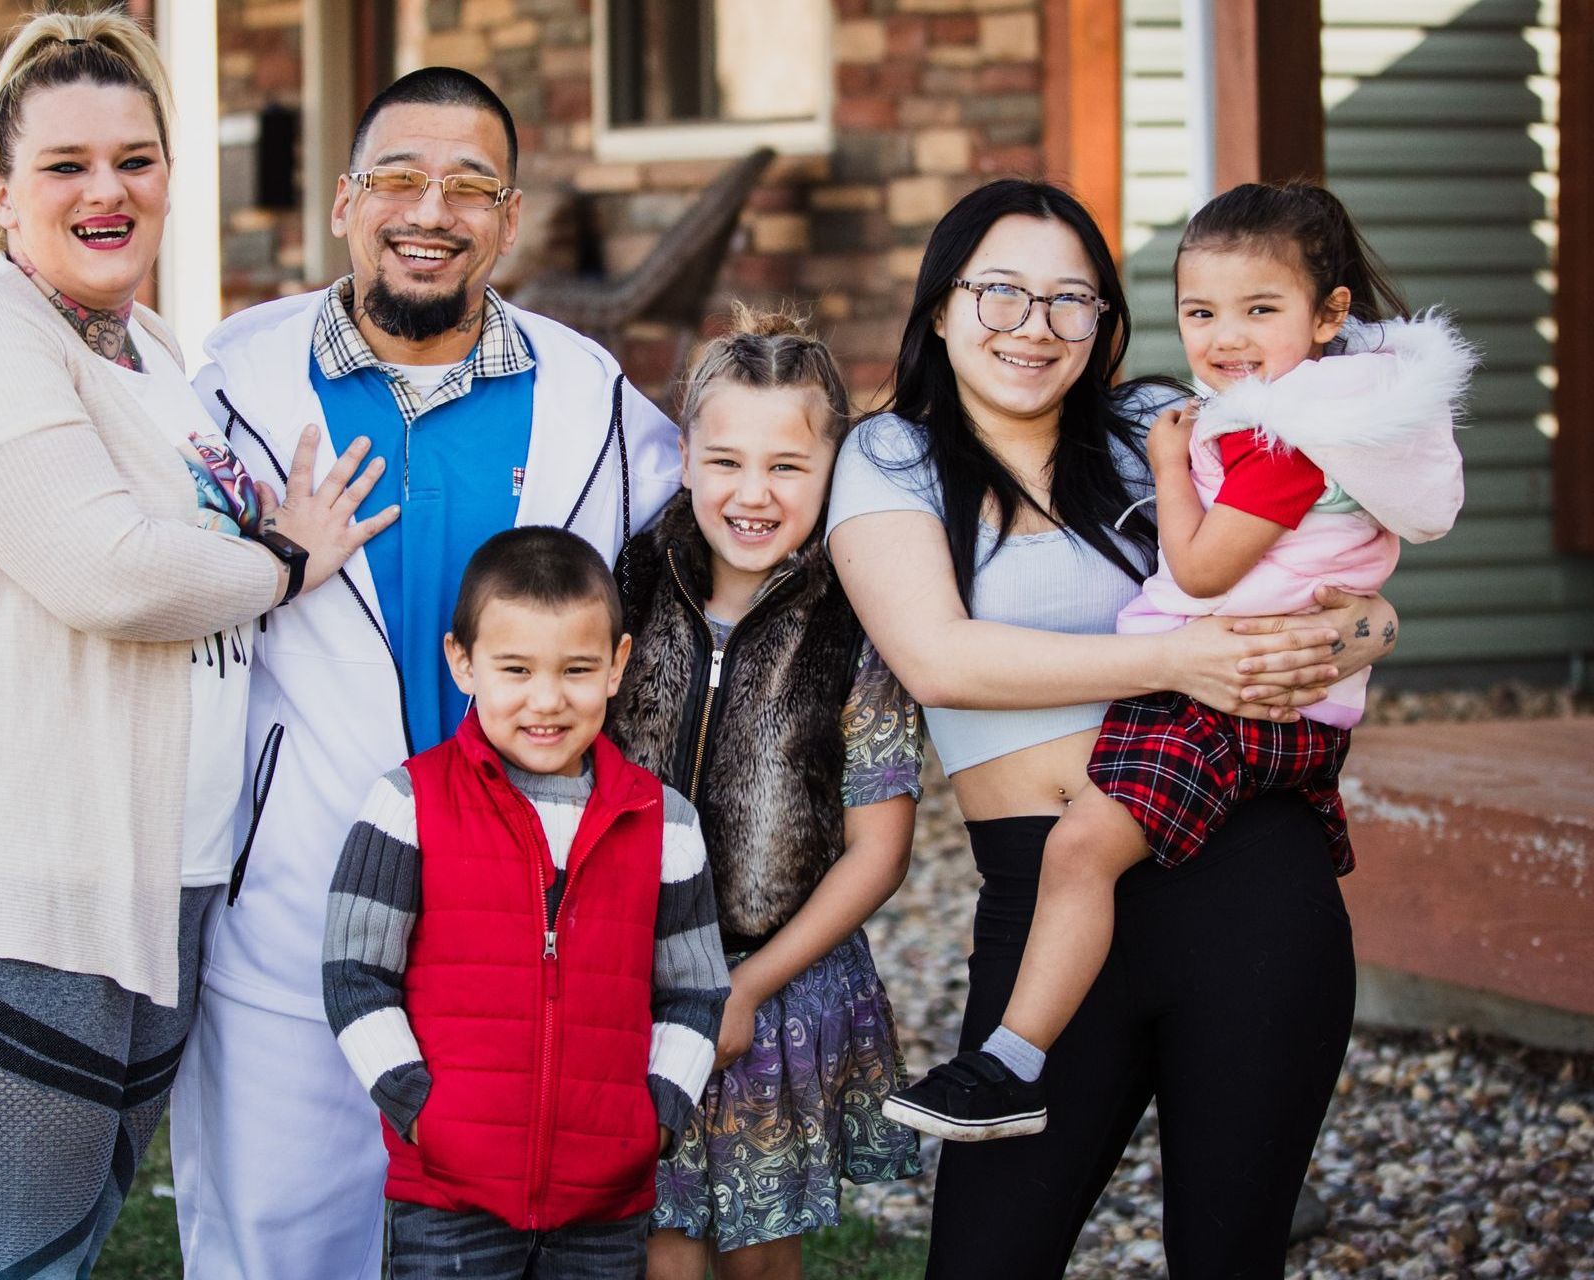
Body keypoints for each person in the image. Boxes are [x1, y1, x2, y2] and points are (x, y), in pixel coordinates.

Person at [0, 13, 384, 1278]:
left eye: (135, 157)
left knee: (62, 1242)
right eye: (66, 162)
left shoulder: (155, 351)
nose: (106, 190)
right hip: (13, 881)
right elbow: (110, 572)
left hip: (146, 881)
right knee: (20, 1259)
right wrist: (289, 559)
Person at [825, 179, 1402, 1276]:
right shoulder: (890, 457)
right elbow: (939, 656)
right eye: (999, 294)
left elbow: (1339, 570)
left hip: (1243, 881)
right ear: (940, 308)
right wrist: (1180, 657)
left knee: (1226, 1256)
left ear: (1105, 322)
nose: (1033, 328)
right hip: (1046, 899)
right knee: (985, 1258)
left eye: (1069, 301)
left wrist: (1368, 623)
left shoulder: (1165, 428)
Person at [171, 67, 682, 1277]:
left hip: (519, 923)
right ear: (346, 201)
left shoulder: (594, 401)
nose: (430, 209)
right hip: (294, 888)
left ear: (508, 219)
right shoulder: (235, 392)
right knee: (277, 1238)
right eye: (398, 177)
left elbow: (714, 547)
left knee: (498, 1243)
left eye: (470, 185)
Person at [605, 307, 923, 1279]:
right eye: (725, 460)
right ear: (685, 455)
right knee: (658, 1249)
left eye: (787, 465)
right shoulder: (630, 581)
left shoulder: (859, 618)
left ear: (835, 469)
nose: (752, 492)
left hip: (772, 986)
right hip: (632, 980)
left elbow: (880, 847)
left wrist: (746, 985)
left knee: (755, 1252)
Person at [322, 527, 729, 1279]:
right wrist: (421, 1112)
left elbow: (695, 990)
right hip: (447, 1201)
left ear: (618, 665)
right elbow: (354, 976)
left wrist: (658, 1119)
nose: (547, 700)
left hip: (605, 1205)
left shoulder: (662, 821)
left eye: (577, 669)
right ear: (463, 663)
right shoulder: (408, 803)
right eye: (516, 669)